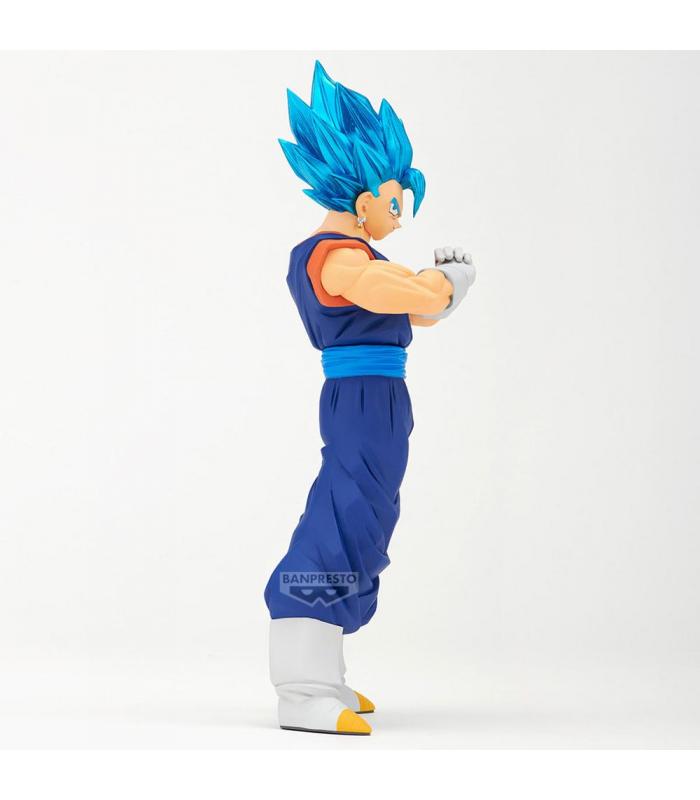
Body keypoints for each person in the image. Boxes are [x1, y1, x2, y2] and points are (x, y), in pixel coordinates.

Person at [264, 61, 476, 735]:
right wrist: (439, 284)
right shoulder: (335, 255)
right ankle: (301, 687)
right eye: (393, 200)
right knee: (343, 514)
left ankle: (323, 673)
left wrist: (447, 288)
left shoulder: (361, 256)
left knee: (369, 520)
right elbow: (397, 295)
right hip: (358, 396)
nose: (399, 214)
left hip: (381, 398)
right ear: (362, 198)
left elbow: (416, 311)